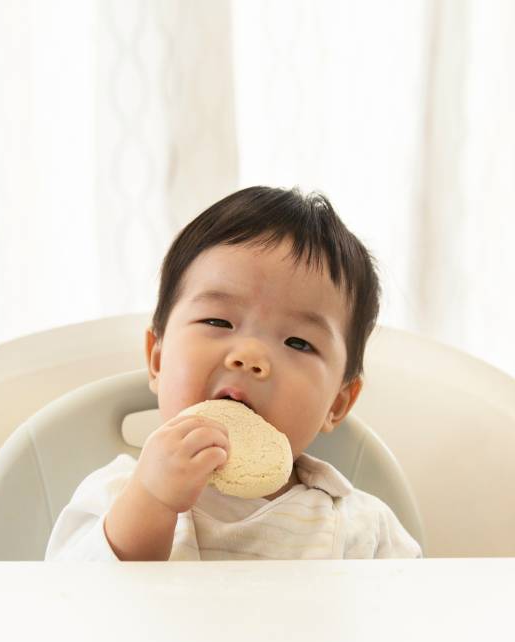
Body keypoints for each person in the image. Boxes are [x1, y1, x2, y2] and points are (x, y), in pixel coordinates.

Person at [46, 186, 422, 560]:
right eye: (218, 320)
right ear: (157, 360)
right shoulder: (116, 495)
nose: (249, 356)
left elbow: (417, 615)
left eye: (298, 343)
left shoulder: (362, 527)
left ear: (338, 403)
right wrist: (151, 501)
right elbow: (74, 604)